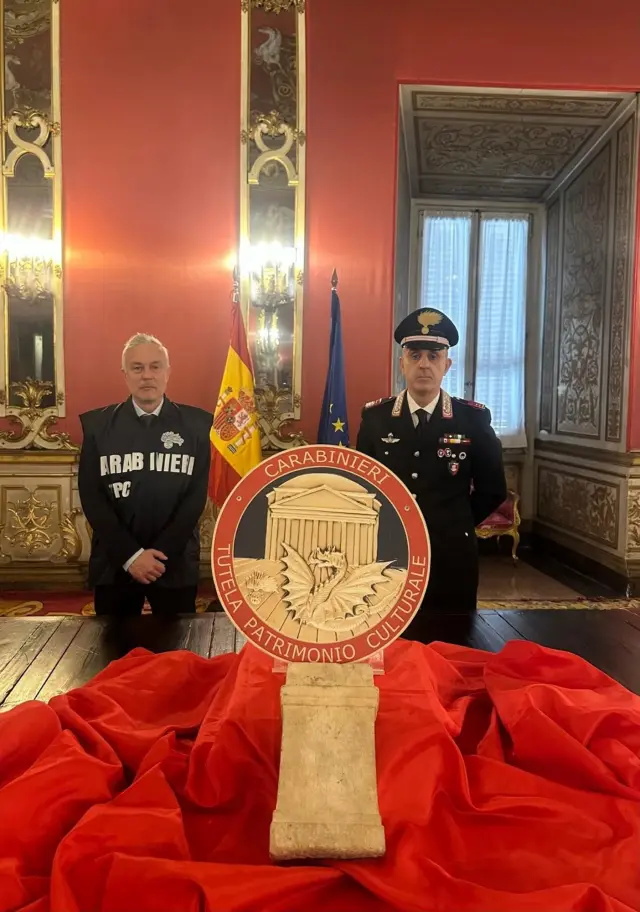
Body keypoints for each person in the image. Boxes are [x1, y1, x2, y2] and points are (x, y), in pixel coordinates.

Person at [356, 308, 507, 637]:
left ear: (446, 365)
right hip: (388, 552)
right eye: (415, 355)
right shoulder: (376, 418)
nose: (424, 364)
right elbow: (362, 487)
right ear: (402, 363)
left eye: (434, 356)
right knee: (392, 643)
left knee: (453, 641)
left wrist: (456, 521)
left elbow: (493, 488)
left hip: (451, 554)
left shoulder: (472, 420)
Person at [78, 333, 212, 616]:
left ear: (167, 372)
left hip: (173, 562)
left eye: (155, 366)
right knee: (113, 652)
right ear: (125, 374)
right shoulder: (97, 427)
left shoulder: (198, 426)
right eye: (137, 368)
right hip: (116, 563)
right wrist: (131, 556)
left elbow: (194, 499)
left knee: (175, 652)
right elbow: (92, 497)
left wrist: (159, 556)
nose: (147, 375)